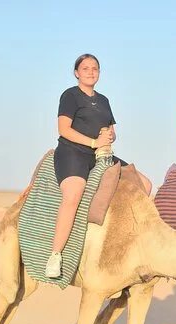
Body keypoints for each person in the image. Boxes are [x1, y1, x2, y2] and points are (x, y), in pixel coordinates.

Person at [45, 54, 152, 278]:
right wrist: (94, 142)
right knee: (73, 194)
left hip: (101, 154)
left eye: (95, 68)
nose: (91, 72)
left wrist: (110, 135)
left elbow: (112, 132)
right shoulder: (70, 95)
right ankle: (55, 255)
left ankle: (124, 244)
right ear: (77, 73)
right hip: (73, 151)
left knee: (144, 183)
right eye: (85, 68)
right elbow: (64, 129)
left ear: (99, 73)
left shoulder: (103, 100)